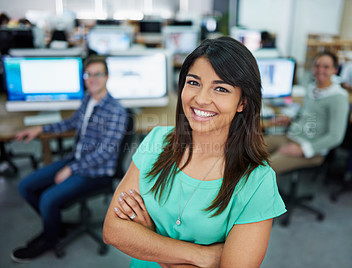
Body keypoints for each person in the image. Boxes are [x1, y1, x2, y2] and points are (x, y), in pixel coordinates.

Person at [103, 36, 286, 267]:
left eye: (220, 88)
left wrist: (150, 239)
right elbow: (113, 230)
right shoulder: (157, 141)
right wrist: (203, 256)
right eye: (193, 82)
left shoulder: (257, 181)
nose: (200, 99)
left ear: (242, 103)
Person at [10, 55, 127, 263]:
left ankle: (50, 239)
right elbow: (70, 122)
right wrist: (40, 129)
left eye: (98, 74)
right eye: (88, 74)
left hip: (97, 172)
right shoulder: (88, 99)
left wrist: (71, 169)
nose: (92, 79)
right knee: (26, 186)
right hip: (77, 159)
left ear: (107, 77)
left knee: (47, 198)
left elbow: (105, 153)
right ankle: (55, 225)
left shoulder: (116, 111)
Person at [266, 51, 350, 174]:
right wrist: (291, 118)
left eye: (326, 67)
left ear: (335, 70)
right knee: (250, 148)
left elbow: (336, 137)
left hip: (312, 150)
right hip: (292, 136)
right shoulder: (312, 88)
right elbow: (305, 113)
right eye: (317, 66)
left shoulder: (339, 97)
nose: (320, 70)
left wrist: (303, 149)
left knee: (265, 169)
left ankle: (269, 191)